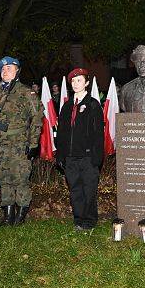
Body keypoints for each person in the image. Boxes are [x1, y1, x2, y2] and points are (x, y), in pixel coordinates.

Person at [0, 56, 43, 226]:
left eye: (9, 68)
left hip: (19, 144)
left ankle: (20, 215)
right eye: (3, 69)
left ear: (17, 71)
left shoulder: (27, 93)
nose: (5, 71)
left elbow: (36, 119)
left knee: (21, 179)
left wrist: (33, 144)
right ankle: (8, 215)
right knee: (3, 179)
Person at [56, 68, 104, 230]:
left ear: (87, 83)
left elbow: (98, 133)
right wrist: (61, 155)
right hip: (70, 157)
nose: (76, 84)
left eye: (79, 80)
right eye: (73, 81)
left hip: (88, 157)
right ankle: (78, 219)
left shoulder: (93, 105)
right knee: (75, 188)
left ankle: (89, 220)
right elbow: (61, 133)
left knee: (89, 189)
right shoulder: (67, 106)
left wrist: (97, 157)